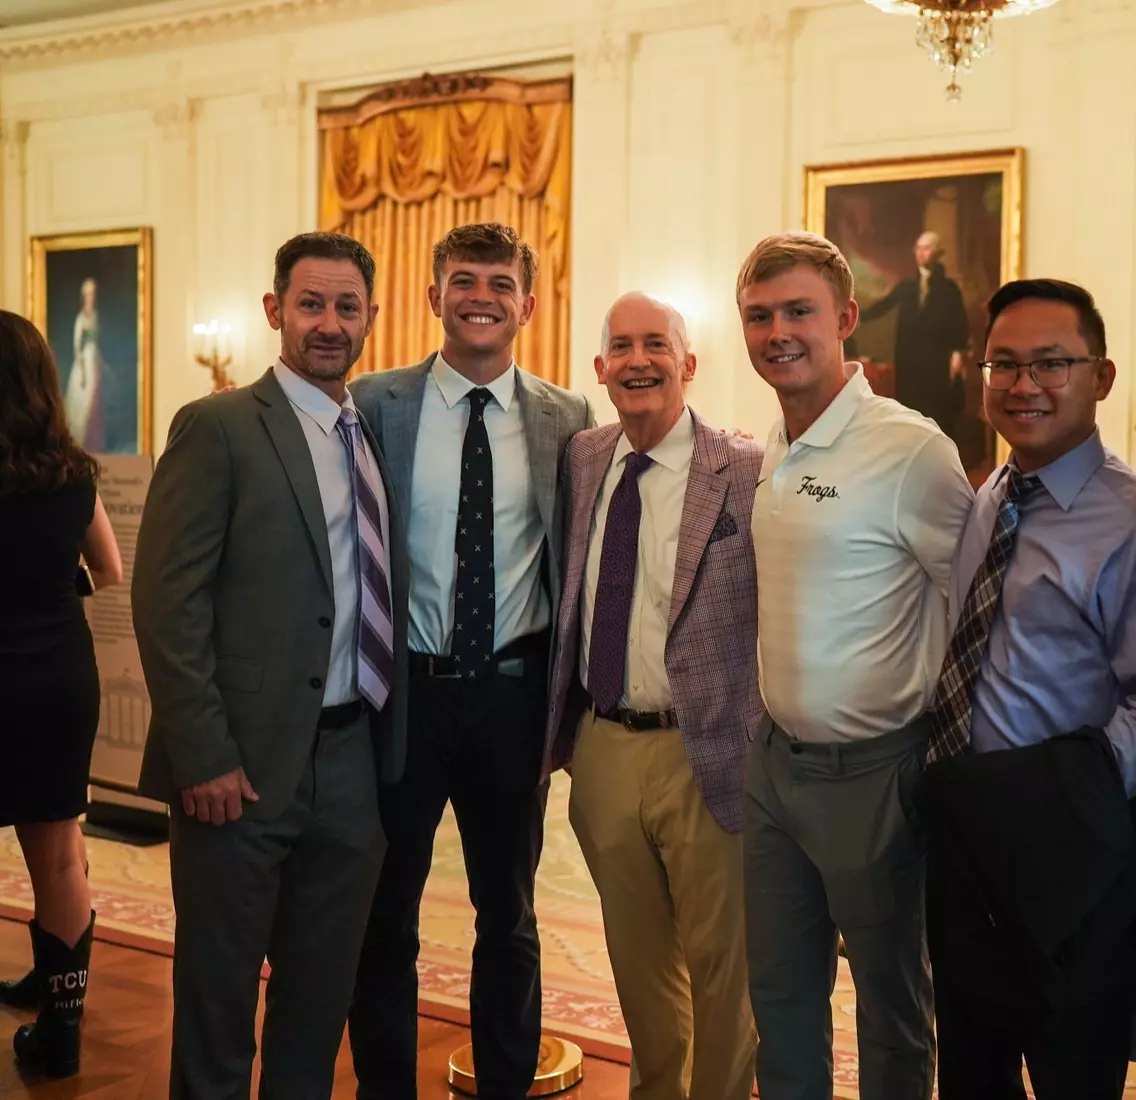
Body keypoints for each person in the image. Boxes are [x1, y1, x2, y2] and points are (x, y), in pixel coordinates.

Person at [132, 230, 407, 1098]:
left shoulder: (371, 435)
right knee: (217, 1009)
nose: (329, 323)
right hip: (238, 769)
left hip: (350, 762)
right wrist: (202, 753)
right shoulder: (217, 427)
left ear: (371, 316)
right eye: (311, 304)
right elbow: (166, 602)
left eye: (347, 306)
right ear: (274, 311)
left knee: (317, 1004)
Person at [923, 278, 1136, 1100]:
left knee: (1072, 1071)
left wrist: (1060, 793)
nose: (1023, 385)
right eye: (1003, 365)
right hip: (968, 839)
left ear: (1102, 377)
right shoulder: (989, 499)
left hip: (1072, 854)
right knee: (972, 1073)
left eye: (1052, 363)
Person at [347, 222, 595, 1100]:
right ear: (433, 297)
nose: (481, 295)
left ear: (528, 302)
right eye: (462, 279)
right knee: (387, 918)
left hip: (515, 699)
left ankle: (504, 1086)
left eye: (499, 281)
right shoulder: (375, 403)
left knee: (511, 916)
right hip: (406, 693)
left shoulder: (569, 417)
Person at [737, 231, 975, 1100]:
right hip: (775, 769)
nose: (778, 333)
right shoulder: (775, 441)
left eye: (798, 311)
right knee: (782, 996)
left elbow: (978, 609)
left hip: (877, 772)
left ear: (844, 319)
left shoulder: (911, 450)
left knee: (890, 1007)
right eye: (759, 317)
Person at [545, 291, 762, 1100]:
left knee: (723, 968)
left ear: (689, 364)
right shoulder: (585, 458)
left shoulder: (743, 467)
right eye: (622, 347)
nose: (639, 360)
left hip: (705, 747)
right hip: (602, 748)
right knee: (638, 964)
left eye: (657, 344)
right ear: (599, 370)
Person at [0, 310, 123, 1078]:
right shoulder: (71, 471)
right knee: (59, 854)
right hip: (56, 678)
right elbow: (109, 570)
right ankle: (62, 1027)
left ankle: (51, 988)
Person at [858, 230, 971, 445]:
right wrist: (852, 315)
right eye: (918, 248)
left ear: (938, 253)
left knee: (936, 410)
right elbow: (882, 306)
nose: (921, 253)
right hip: (909, 360)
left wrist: (958, 353)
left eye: (927, 248)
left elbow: (959, 323)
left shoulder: (948, 289)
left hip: (936, 361)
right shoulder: (907, 287)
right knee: (909, 409)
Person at [63, 279, 106, 452]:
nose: (91, 298)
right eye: (88, 295)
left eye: (93, 294)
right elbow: (76, 345)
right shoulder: (81, 318)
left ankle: (94, 444)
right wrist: (82, 370)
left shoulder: (95, 316)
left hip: (93, 359)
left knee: (95, 401)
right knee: (83, 403)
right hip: (84, 363)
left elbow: (96, 343)